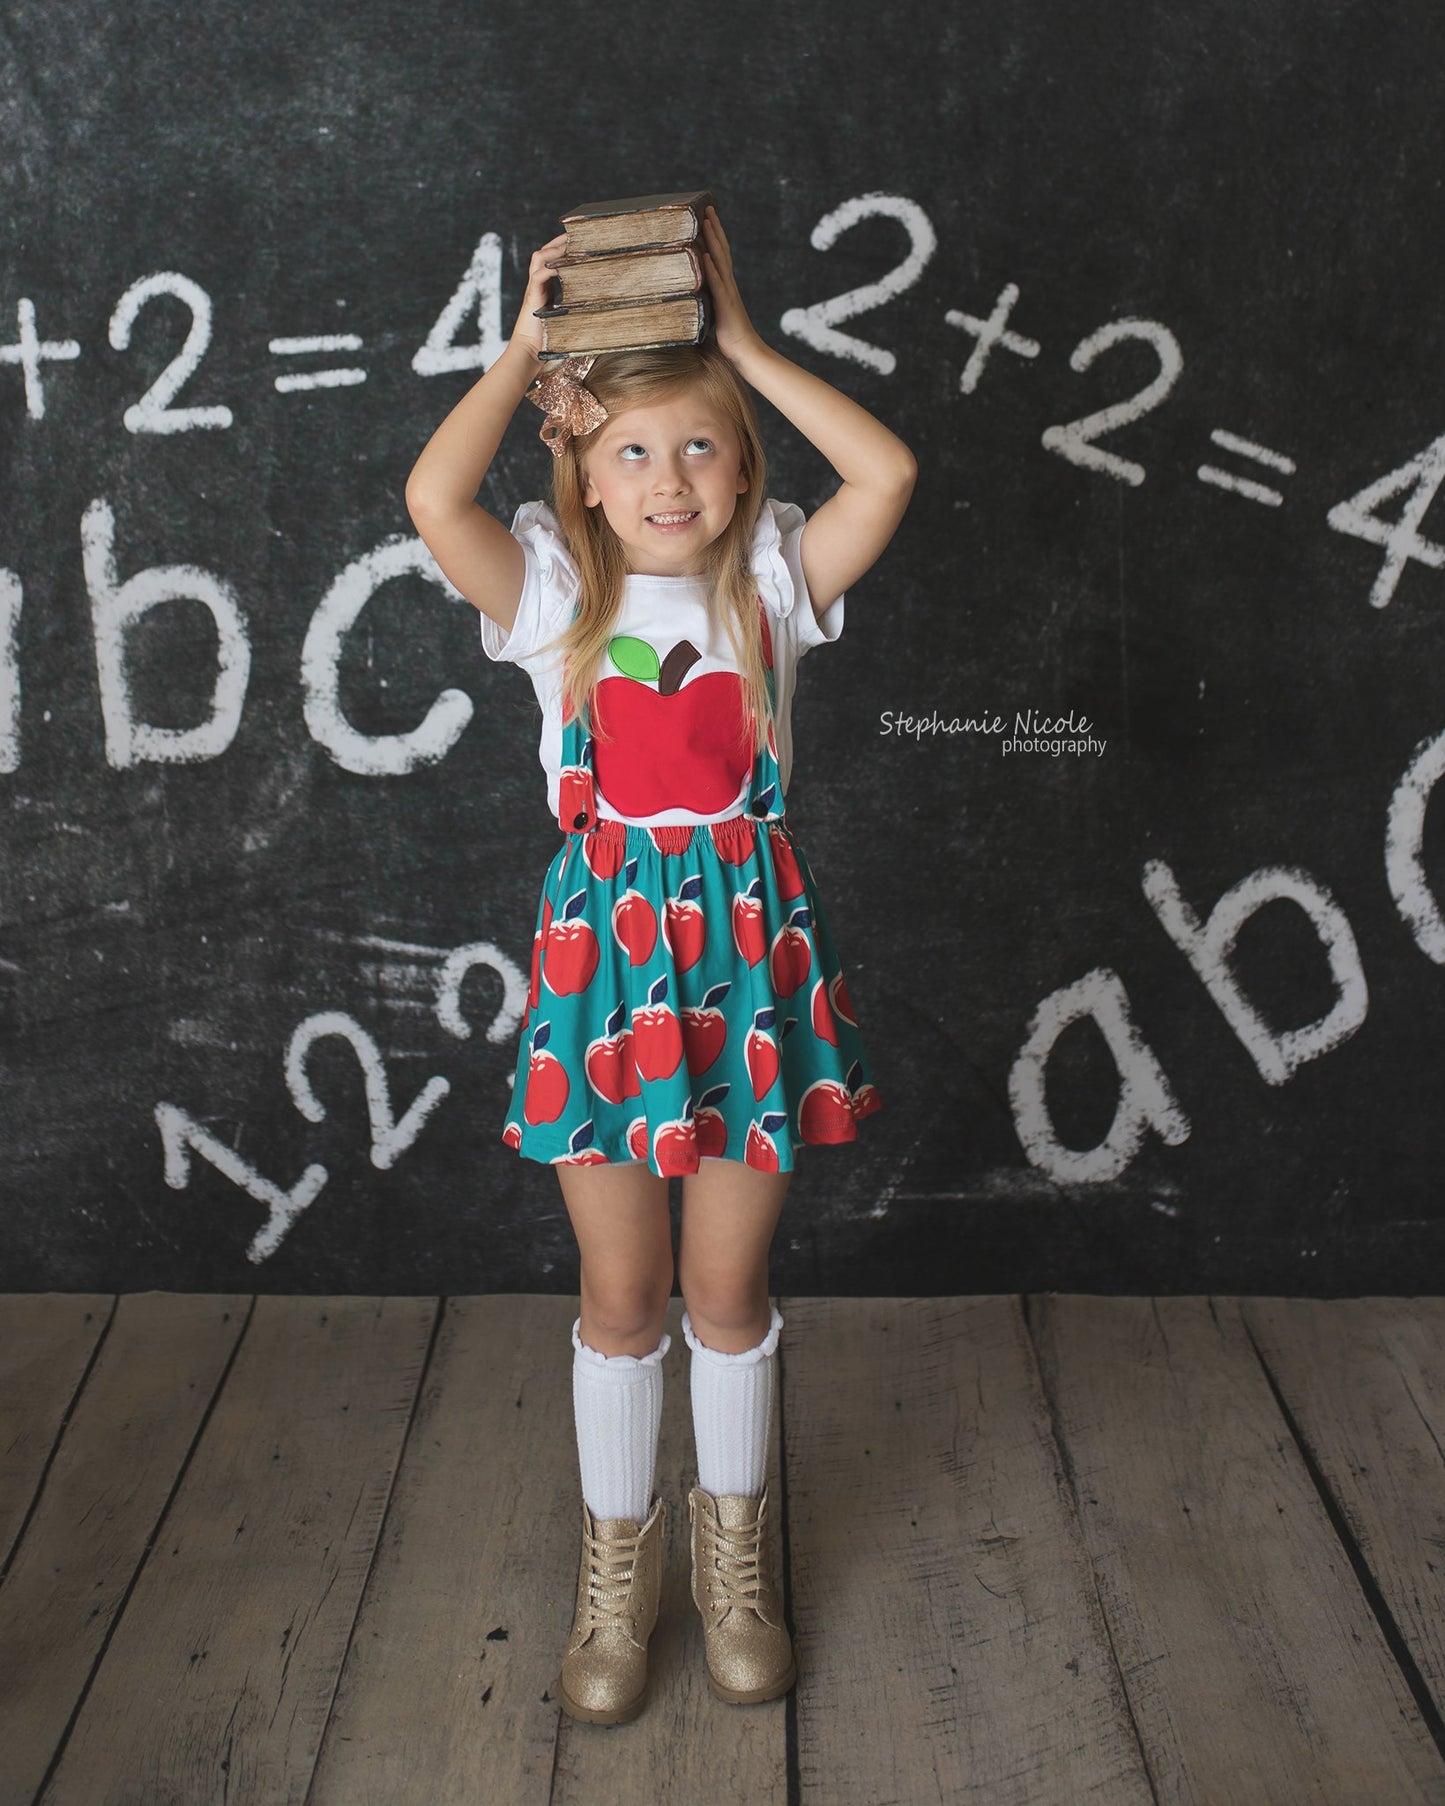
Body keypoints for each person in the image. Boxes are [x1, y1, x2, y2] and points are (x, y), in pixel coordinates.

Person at [405, 204, 915, 1725]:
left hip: (749, 964)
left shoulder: (775, 582)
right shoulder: (557, 600)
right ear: (582, 475)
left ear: (744, 468)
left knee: (724, 1282)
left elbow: (886, 473)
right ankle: (614, 1575)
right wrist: (525, 353)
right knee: (622, 1291)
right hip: (605, 976)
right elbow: (433, 498)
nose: (668, 478)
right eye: (630, 452)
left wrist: (740, 346)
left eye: (699, 447)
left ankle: (735, 1565)